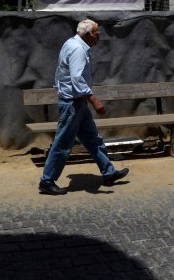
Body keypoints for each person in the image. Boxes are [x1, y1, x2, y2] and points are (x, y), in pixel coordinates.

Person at [39, 19, 129, 195]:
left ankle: (108, 173)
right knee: (63, 143)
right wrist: (94, 100)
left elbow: (61, 73)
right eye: (97, 34)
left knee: (93, 139)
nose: (98, 37)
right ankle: (46, 181)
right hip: (73, 104)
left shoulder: (71, 43)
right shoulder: (78, 49)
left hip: (77, 103)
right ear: (88, 34)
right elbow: (77, 79)